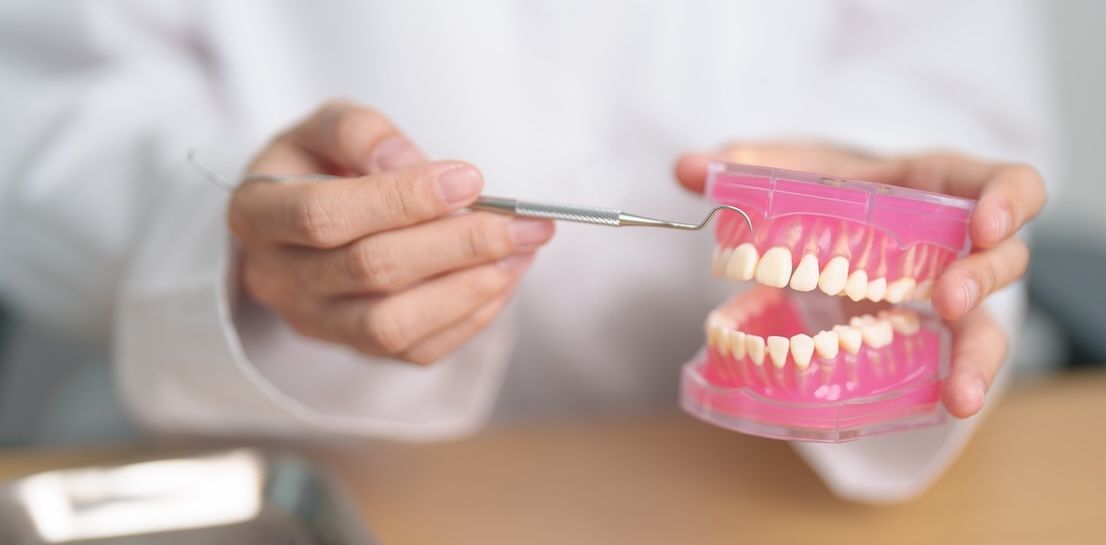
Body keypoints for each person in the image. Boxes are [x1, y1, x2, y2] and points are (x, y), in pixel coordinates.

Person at [0, 1, 1052, 502]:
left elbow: (953, 78)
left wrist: (877, 196)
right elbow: (38, 98)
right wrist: (230, 229)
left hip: (746, 508)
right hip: (306, 489)